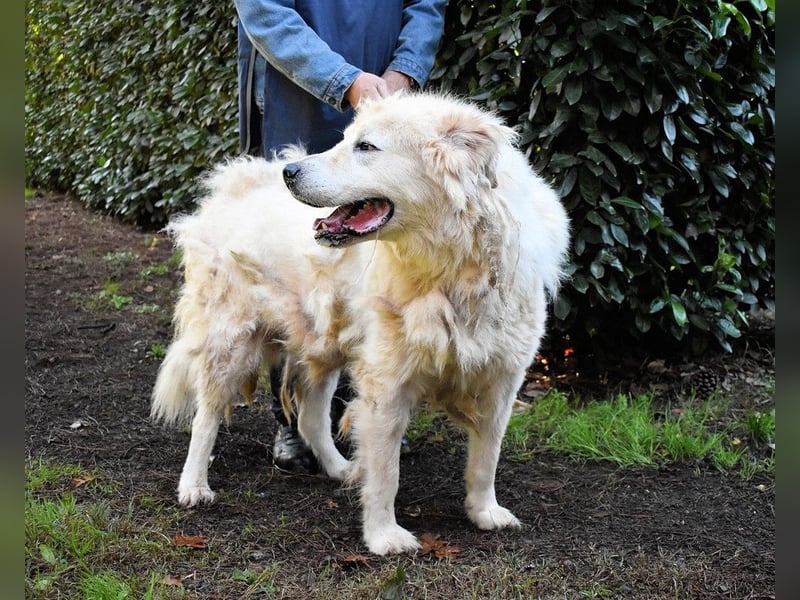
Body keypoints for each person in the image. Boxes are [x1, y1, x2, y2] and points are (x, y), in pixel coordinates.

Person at [233, 0, 448, 473]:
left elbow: (426, 5)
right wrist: (345, 81)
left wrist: (403, 73)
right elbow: (266, 14)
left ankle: (367, 415)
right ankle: (291, 419)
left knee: (380, 257)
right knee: (292, 262)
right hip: (295, 100)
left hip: (388, 104)